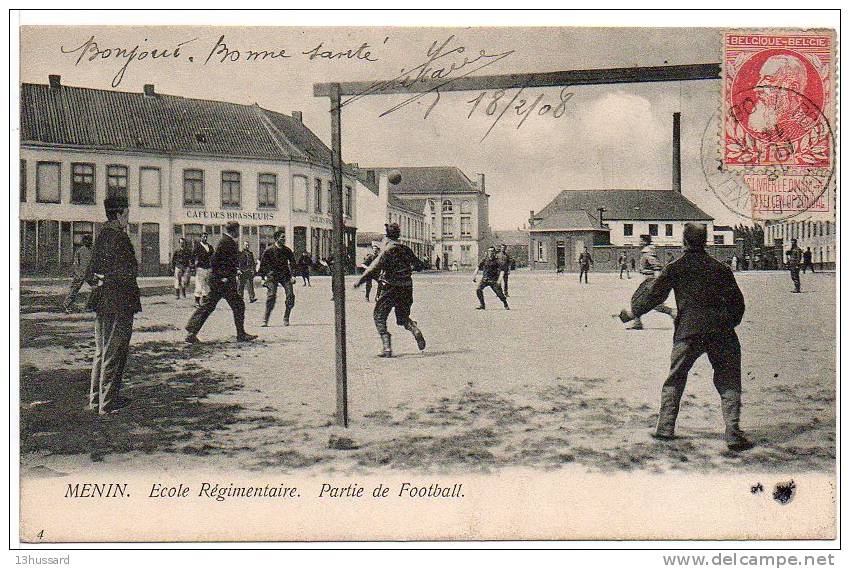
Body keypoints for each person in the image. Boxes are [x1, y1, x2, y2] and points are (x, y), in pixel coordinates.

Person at [618, 223, 753, 452]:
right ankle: (733, 433)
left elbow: (653, 295)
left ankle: (665, 428)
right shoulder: (721, 269)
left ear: (684, 242)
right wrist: (728, 324)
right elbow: (738, 304)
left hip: (688, 331)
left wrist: (633, 313)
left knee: (676, 377)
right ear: (706, 241)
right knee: (729, 378)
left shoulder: (676, 267)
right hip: (721, 332)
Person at [85, 196, 141, 414]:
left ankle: (96, 400)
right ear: (119, 215)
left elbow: (90, 272)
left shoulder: (101, 236)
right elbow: (130, 270)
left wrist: (100, 281)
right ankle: (108, 403)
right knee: (114, 351)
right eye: (126, 214)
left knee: (101, 351)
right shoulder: (120, 237)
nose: (128, 218)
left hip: (102, 300)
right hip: (120, 301)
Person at [354, 223, 426, 358]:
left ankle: (387, 347)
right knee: (402, 317)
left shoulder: (387, 250)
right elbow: (420, 265)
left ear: (387, 236)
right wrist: (408, 269)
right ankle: (414, 329)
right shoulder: (406, 249)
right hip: (406, 287)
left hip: (390, 287)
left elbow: (372, 268)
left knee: (379, 316)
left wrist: (360, 281)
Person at [185, 222, 257, 343]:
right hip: (223, 282)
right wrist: (223, 276)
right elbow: (214, 261)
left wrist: (234, 271)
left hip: (223, 281)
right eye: (237, 230)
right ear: (233, 230)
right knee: (237, 305)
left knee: (209, 305)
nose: (238, 233)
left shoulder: (226, 241)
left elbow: (227, 262)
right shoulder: (226, 242)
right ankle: (241, 334)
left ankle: (192, 332)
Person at [617, 235, 675, 330]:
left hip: (650, 281)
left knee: (642, 301)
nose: (639, 242)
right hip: (647, 280)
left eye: (640, 240)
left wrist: (656, 283)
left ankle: (672, 312)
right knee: (642, 301)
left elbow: (657, 267)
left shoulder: (648, 252)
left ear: (644, 241)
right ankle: (638, 322)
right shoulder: (646, 252)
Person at [257, 228, 297, 327]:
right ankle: (265, 319)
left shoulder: (287, 250)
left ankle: (286, 317)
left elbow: (293, 263)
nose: (284, 239)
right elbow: (263, 265)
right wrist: (262, 278)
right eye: (282, 237)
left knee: (290, 295)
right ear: (276, 239)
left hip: (285, 276)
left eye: (284, 237)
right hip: (272, 276)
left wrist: (293, 275)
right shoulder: (268, 250)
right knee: (271, 296)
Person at [62, 234, 93, 312]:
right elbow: (76, 263)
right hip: (80, 274)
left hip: (90, 274)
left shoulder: (93, 250)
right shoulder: (79, 251)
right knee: (74, 290)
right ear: (83, 241)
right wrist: (78, 273)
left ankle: (89, 306)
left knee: (96, 288)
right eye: (86, 240)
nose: (88, 241)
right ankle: (67, 306)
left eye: (89, 240)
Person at [192, 232, 214, 307]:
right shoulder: (197, 246)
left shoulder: (209, 246)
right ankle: (197, 301)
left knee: (206, 285)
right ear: (200, 237)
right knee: (199, 284)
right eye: (203, 237)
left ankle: (204, 301)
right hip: (200, 268)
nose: (205, 238)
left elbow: (213, 256)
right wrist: (194, 264)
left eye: (206, 237)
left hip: (208, 268)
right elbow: (193, 256)